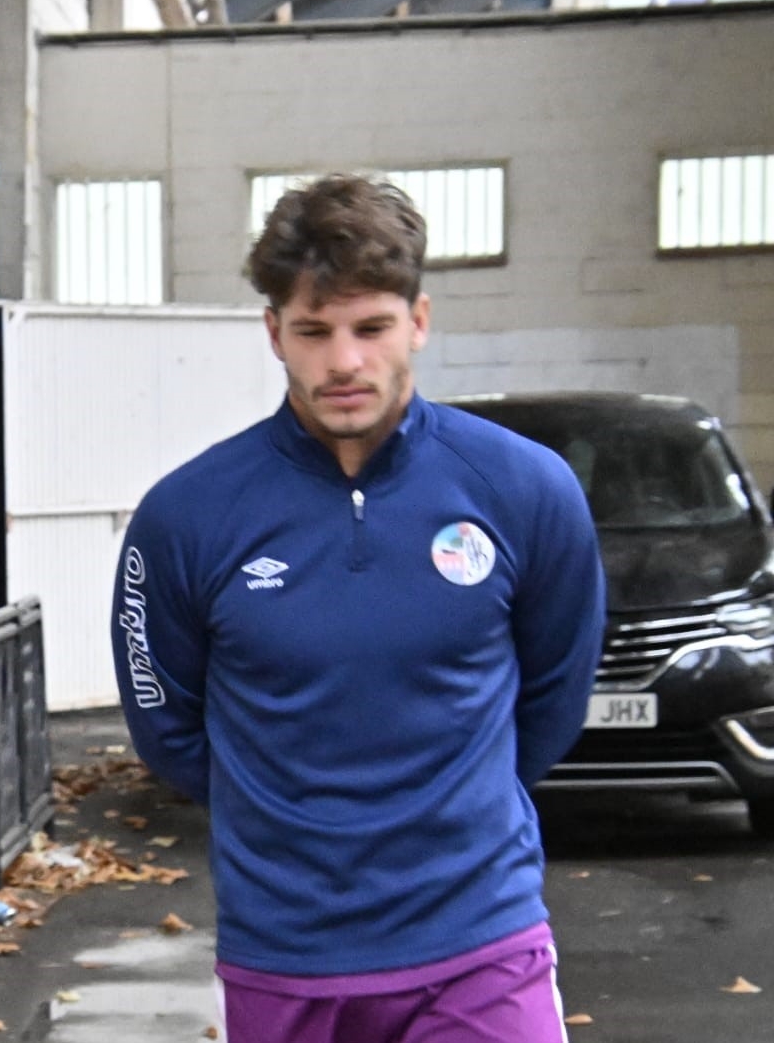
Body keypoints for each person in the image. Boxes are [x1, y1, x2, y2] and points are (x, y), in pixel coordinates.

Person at [111, 174, 605, 1043]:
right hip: (285, 955)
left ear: (418, 320)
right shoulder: (185, 517)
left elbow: (554, 695)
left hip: (481, 940)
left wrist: (450, 809)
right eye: (314, 331)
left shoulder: (526, 490)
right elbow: (169, 729)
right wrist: (289, 828)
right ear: (274, 334)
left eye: (371, 327)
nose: (344, 362)